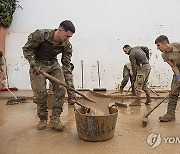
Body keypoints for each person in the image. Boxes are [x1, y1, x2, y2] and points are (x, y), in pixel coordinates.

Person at [23, 20, 76, 130]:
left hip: (53, 64)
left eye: (70, 37)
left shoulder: (66, 45)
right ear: (59, 30)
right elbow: (27, 49)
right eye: (67, 36)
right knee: (40, 93)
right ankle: (43, 119)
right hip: (38, 65)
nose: (68, 39)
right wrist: (33, 64)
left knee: (61, 90)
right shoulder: (40, 35)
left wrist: (70, 87)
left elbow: (66, 66)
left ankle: (55, 119)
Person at [155, 35, 180, 122]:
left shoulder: (177, 45)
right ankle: (170, 114)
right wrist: (178, 78)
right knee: (173, 91)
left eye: (158, 45)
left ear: (165, 43)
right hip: (178, 69)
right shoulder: (164, 55)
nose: (157, 48)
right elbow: (173, 66)